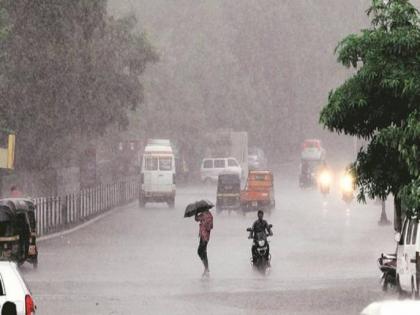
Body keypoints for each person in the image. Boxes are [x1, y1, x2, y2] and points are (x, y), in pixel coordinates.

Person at [195, 209, 213, 277]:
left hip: (205, 237)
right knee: (203, 252)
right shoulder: (206, 215)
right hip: (202, 236)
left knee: (200, 251)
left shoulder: (208, 216)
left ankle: (206, 268)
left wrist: (205, 224)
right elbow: (197, 219)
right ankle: (206, 268)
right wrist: (197, 213)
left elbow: (210, 227)